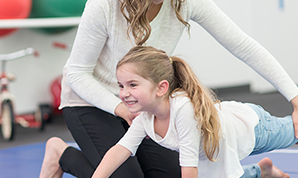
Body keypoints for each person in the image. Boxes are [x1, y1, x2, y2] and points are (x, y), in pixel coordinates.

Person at [54, 0, 298, 177]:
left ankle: (258, 173)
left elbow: (242, 45)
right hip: (89, 100)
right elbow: (77, 73)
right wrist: (121, 109)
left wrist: (295, 98)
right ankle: (59, 153)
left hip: (144, 101)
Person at [41, 46, 295, 178]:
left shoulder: (182, 110)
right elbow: (121, 150)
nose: (124, 93)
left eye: (132, 85)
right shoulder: (146, 116)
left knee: (295, 131)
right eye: (120, 86)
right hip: (220, 152)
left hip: (254, 128)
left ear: (161, 88)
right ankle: (264, 172)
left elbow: (189, 168)